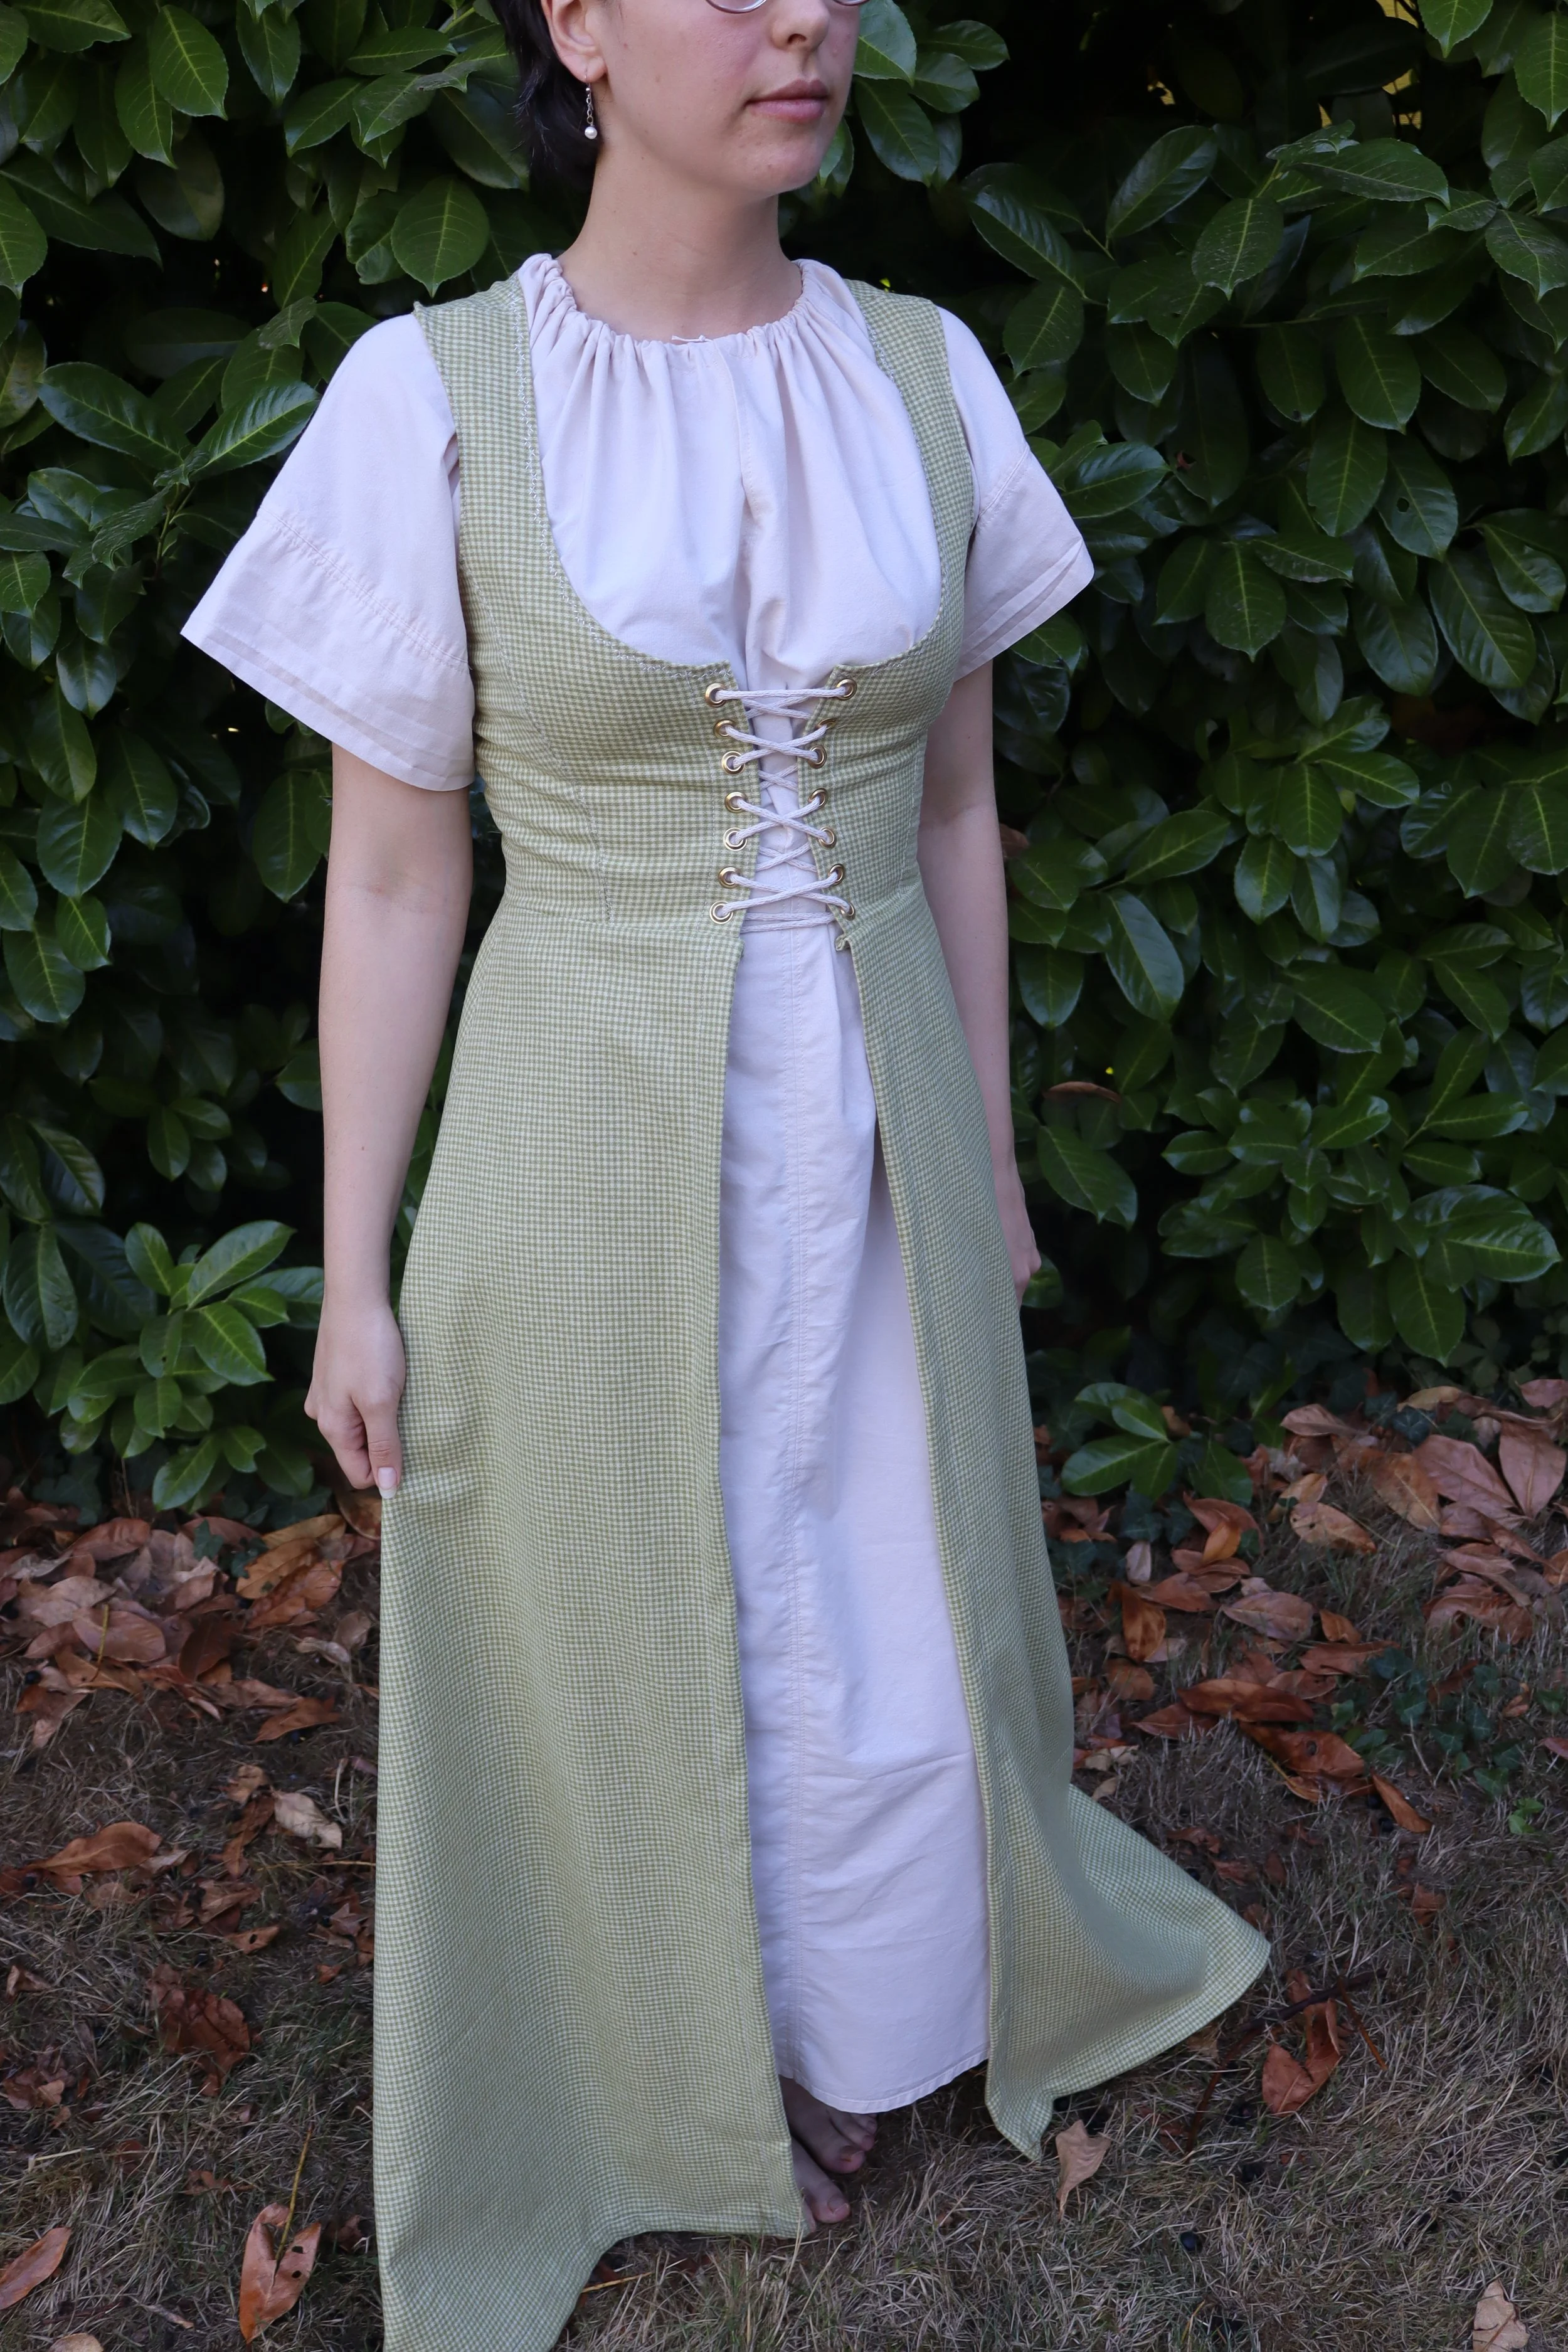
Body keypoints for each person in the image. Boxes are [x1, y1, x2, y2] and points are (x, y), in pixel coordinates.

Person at [184, 1, 1269, 2344]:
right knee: (618, 1587)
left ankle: (857, 2008)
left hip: (866, 1092)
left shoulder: (918, 371)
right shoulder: (434, 397)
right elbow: (390, 884)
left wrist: (978, 1142)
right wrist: (351, 1268)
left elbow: (962, 806)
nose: (802, 19)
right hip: (582, 1115)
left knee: (876, 1553)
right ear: (571, 21)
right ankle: (653, 2068)